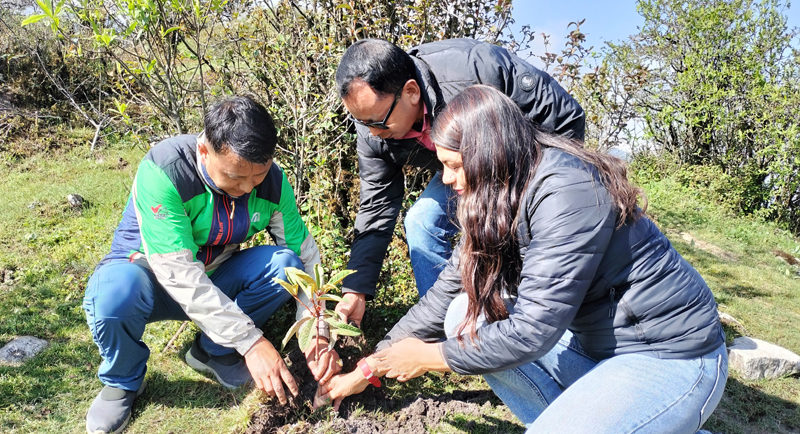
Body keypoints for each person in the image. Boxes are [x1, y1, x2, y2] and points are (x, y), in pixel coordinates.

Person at [317, 85, 728, 434]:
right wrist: (371, 366)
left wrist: (430, 357)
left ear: (488, 155)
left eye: (454, 166)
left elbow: (533, 331)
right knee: (463, 313)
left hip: (669, 355)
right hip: (598, 347)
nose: (445, 179)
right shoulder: (500, 192)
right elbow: (446, 292)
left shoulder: (566, 191)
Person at [82, 96, 340, 434]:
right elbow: (179, 274)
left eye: (257, 177)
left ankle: (212, 351)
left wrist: (316, 330)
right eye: (235, 177)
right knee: (113, 296)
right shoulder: (166, 171)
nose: (246, 188)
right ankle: (123, 380)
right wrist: (251, 342)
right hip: (149, 277)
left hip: (217, 274)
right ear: (205, 150)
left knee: (285, 265)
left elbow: (305, 258)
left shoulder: (273, 183)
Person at [332, 38, 586, 327]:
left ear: (411, 92)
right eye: (361, 122)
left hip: (524, 161)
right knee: (421, 222)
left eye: (377, 122)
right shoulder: (373, 128)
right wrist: (357, 288)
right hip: (463, 168)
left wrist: (528, 196)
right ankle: (449, 327)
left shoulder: (476, 71)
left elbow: (565, 118)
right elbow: (377, 205)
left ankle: (516, 316)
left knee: (503, 230)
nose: (371, 133)